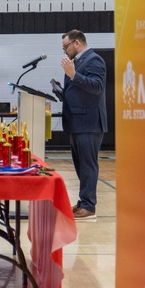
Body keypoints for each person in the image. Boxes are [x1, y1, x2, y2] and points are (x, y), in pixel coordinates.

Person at [56, 29, 107, 221]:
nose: (65, 51)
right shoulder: (77, 62)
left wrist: (73, 75)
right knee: (80, 166)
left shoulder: (95, 60)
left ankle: (89, 206)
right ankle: (83, 200)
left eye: (66, 47)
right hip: (77, 122)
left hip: (89, 123)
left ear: (77, 43)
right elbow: (78, 90)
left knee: (88, 166)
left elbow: (96, 86)